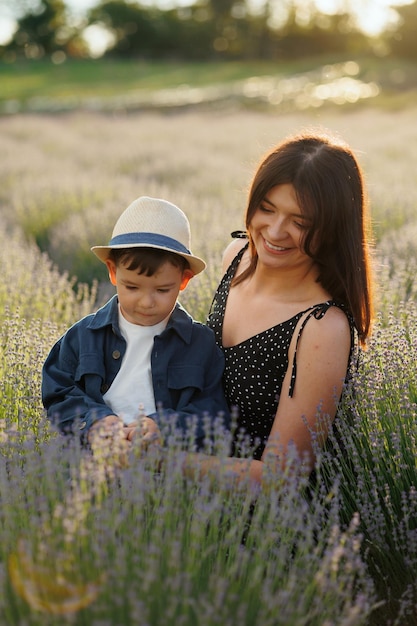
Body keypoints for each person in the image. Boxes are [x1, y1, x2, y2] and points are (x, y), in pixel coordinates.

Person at [185, 129, 373, 486]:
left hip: (271, 525)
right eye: (266, 209)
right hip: (201, 482)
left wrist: (163, 463)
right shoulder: (236, 259)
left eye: (300, 222)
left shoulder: (320, 328)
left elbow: (281, 478)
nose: (274, 231)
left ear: (332, 230)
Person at [42, 196, 230, 453]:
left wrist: (164, 428)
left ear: (184, 280)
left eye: (163, 290)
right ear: (112, 272)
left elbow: (212, 411)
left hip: (166, 466)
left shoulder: (199, 343)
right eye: (132, 287)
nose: (146, 302)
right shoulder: (84, 336)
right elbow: (58, 392)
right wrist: (96, 421)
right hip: (93, 458)